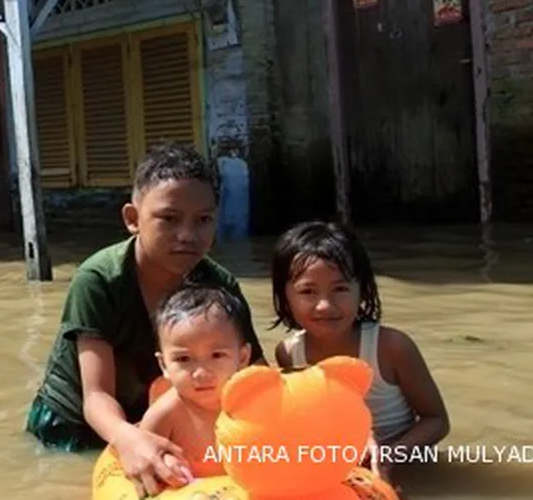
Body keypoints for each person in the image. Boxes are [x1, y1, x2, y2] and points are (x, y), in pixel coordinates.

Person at [25, 143, 265, 496]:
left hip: (151, 411)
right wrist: (127, 437)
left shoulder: (219, 286)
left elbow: (255, 375)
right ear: (132, 219)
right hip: (75, 427)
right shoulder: (99, 281)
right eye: (169, 219)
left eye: (203, 220)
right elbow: (96, 395)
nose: (188, 235)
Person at [271, 220, 449, 482]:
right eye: (308, 291)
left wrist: (390, 456)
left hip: (404, 465)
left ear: (362, 291)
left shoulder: (391, 347)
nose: (325, 305)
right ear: (285, 297)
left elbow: (436, 421)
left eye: (340, 289)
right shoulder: (289, 353)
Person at [141, 283, 255, 484]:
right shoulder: (164, 416)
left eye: (217, 355)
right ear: (163, 364)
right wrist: (165, 461)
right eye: (184, 359)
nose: (201, 373)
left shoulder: (256, 403)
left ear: (243, 357)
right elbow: (143, 458)